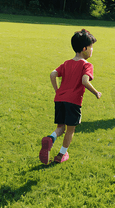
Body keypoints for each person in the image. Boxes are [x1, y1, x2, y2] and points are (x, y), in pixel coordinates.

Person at [39, 29, 102, 164]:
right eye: (91, 48)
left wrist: (57, 90)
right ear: (84, 48)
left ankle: (50, 138)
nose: (92, 50)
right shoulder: (87, 65)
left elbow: (52, 74)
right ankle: (61, 155)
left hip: (60, 100)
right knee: (70, 130)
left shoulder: (67, 63)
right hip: (73, 102)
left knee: (60, 127)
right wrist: (96, 92)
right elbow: (85, 81)